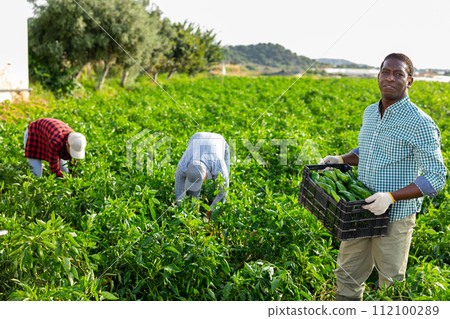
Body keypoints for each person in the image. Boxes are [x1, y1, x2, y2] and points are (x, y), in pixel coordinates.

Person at [319, 53, 447, 301]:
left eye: (398, 74)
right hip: (360, 212)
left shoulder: (420, 123)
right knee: (347, 276)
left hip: (394, 217)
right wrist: (341, 159)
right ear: (378, 76)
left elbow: (436, 176)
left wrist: (390, 197)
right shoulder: (369, 112)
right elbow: (368, 150)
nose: (390, 78)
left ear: (410, 81)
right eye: (385, 72)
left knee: (390, 284)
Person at [175, 132, 230, 219]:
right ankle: (194, 207)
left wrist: (209, 213)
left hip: (219, 141)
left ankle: (209, 206)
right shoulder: (182, 166)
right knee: (192, 192)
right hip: (196, 137)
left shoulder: (219, 166)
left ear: (206, 174)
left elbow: (223, 194)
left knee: (220, 187)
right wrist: (184, 213)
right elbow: (179, 193)